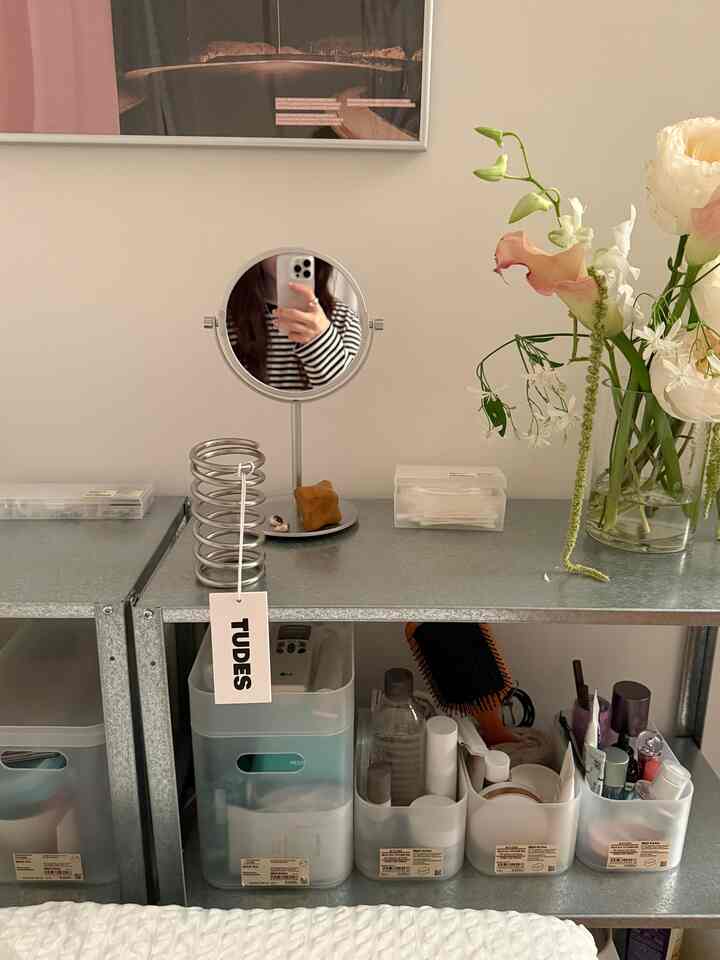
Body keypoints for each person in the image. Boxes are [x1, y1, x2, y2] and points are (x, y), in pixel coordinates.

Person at [226, 256, 362, 390]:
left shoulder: (344, 318)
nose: (289, 247)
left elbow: (350, 399)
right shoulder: (226, 321)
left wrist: (321, 339)